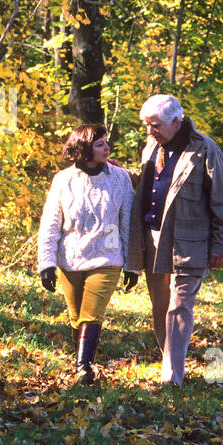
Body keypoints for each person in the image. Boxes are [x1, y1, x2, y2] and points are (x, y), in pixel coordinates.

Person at [125, 95, 223, 387]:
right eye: (147, 125)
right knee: (161, 308)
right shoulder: (151, 146)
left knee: (179, 307)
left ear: (177, 121)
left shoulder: (205, 149)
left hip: (190, 243)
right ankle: (171, 362)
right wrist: (123, 175)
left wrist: (221, 244)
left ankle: (172, 377)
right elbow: (152, 183)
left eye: (156, 125)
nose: (150, 131)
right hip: (152, 240)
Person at [37, 124, 139, 385]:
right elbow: (51, 222)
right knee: (75, 316)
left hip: (107, 258)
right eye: (100, 144)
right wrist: (47, 263)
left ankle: (84, 368)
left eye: (106, 143)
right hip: (70, 259)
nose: (107, 148)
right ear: (83, 149)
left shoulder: (120, 178)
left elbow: (128, 221)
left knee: (91, 314)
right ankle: (82, 362)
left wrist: (132, 265)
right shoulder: (63, 180)